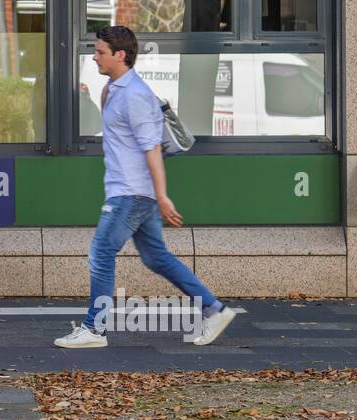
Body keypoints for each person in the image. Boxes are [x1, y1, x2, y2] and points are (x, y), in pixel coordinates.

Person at [54, 25, 236, 348]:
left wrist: (162, 195)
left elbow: (152, 149)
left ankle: (94, 329)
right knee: (156, 257)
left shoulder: (136, 97)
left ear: (120, 56)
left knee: (100, 252)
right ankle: (214, 309)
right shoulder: (115, 89)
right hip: (132, 191)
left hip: (132, 193)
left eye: (100, 52)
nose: (94, 57)